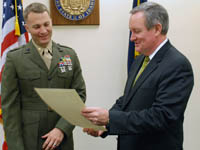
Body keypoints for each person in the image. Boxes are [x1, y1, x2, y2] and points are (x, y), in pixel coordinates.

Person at [81, 2, 194, 150]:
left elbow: (161, 117)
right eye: (131, 31)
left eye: (136, 31)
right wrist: (104, 125)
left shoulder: (178, 65)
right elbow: (126, 100)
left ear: (157, 29)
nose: (132, 38)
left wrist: (110, 118)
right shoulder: (140, 59)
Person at [1, 2, 86, 150]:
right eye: (37, 27)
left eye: (46, 24)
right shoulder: (15, 59)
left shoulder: (68, 55)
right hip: (29, 141)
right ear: (27, 28)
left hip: (62, 141)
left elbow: (79, 95)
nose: (43, 30)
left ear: (51, 23)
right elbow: (10, 108)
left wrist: (62, 129)